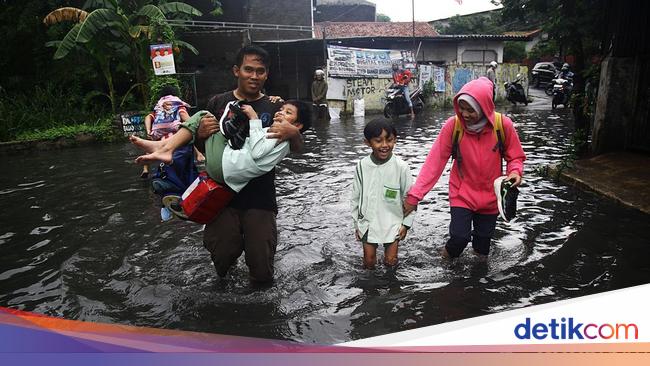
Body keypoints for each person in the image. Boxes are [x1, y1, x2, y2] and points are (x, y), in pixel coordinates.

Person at [198, 45, 304, 283]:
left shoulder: (276, 107)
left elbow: (297, 149)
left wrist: (293, 134)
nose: (254, 76)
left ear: (266, 74)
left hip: (260, 197)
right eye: (248, 69)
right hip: (222, 196)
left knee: (261, 265)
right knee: (222, 256)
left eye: (260, 71)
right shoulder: (217, 102)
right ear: (237, 70)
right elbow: (204, 148)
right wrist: (200, 134)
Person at [403, 77, 526, 260]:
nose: (465, 114)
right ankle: (443, 265)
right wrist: (414, 197)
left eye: (471, 110)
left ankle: (477, 281)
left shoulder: (502, 126)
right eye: (461, 107)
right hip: (462, 194)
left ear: (484, 107)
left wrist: (515, 171)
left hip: (491, 198)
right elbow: (434, 164)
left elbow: (515, 155)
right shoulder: (454, 126)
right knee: (459, 238)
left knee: (483, 246)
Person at [131, 100, 310, 199]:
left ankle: (165, 147)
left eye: (287, 112)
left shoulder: (280, 134)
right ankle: (163, 147)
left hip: (224, 166)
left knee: (203, 115)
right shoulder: (275, 132)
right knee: (203, 121)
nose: (280, 112)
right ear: (236, 71)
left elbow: (256, 152)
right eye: (281, 109)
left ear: (298, 124)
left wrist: (255, 118)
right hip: (226, 171)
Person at [351, 119, 414, 269]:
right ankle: (370, 290)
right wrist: (357, 224)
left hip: (393, 222)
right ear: (367, 143)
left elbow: (410, 198)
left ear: (395, 140)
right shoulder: (361, 166)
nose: (385, 145)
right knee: (369, 261)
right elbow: (355, 198)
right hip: (368, 222)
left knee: (391, 261)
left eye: (390, 140)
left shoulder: (401, 167)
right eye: (378, 141)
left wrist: (406, 224)